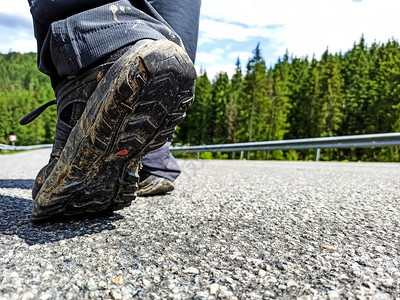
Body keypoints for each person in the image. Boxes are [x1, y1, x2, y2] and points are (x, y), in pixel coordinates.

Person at [22, 0, 201, 221]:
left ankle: (101, 58)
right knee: (165, 33)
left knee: (124, 46)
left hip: (105, 60)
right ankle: (152, 156)